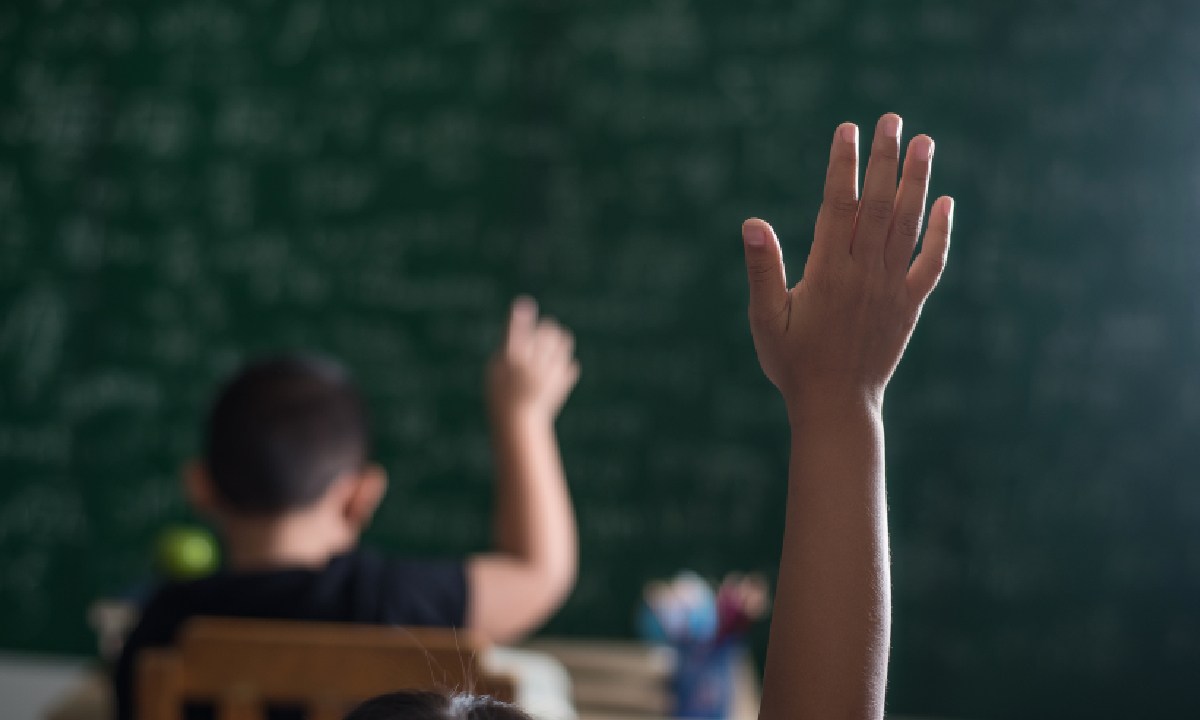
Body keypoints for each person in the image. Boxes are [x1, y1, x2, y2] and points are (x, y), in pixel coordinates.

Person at [340, 112, 953, 720]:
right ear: (356, 496)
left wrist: (838, 399)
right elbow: (539, 573)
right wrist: (841, 397)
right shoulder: (382, 599)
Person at [113, 297, 581, 720]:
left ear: (200, 487)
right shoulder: (392, 603)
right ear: (361, 496)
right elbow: (539, 573)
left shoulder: (161, 628)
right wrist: (523, 417)